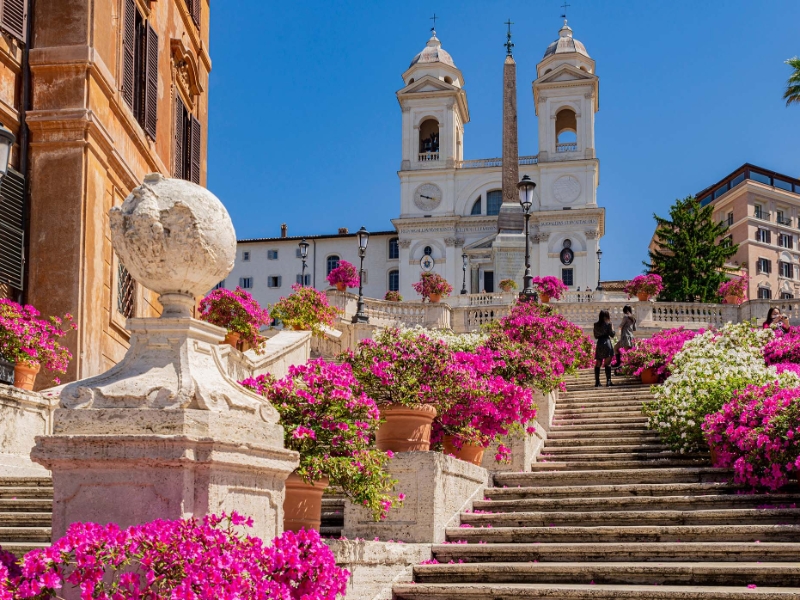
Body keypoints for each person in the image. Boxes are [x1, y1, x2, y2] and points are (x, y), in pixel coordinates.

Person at [593, 309, 616, 387]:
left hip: (600, 343)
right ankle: (608, 381)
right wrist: (612, 327)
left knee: (598, 363)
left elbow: (595, 336)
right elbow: (612, 335)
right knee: (607, 363)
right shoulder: (609, 324)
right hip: (607, 343)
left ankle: (597, 382)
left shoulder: (596, 325)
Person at [614, 305, 637, 371]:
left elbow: (621, 325)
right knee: (626, 351)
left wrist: (617, 330)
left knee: (624, 351)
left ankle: (623, 365)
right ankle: (619, 363)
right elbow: (634, 329)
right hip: (631, 336)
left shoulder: (625, 317)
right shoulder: (633, 318)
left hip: (625, 336)